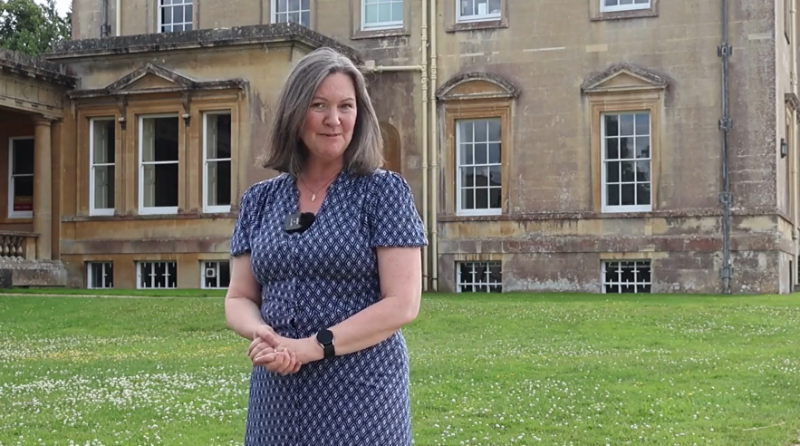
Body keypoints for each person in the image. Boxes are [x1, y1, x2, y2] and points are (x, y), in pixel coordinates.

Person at [224, 46, 427, 446]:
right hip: (277, 393)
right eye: (319, 105)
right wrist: (265, 336)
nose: (334, 120)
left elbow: (402, 303)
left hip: (362, 395)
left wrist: (311, 348)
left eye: (345, 106)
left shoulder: (383, 192)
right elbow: (239, 297)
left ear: (360, 115)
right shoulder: (259, 200)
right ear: (295, 113)